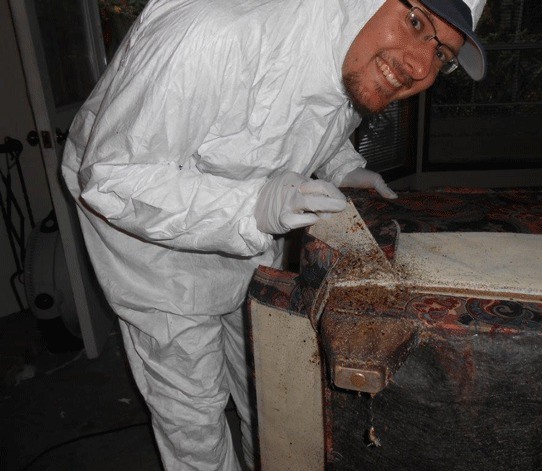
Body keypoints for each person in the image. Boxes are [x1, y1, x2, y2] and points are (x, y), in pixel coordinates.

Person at [62, 0, 487, 469]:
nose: (420, 65)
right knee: (194, 409)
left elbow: (307, 112)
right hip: (149, 244)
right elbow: (112, 177)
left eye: (442, 53)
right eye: (415, 22)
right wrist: (252, 206)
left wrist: (344, 167)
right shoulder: (216, 31)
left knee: (262, 378)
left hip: (246, 221)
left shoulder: (350, 41)